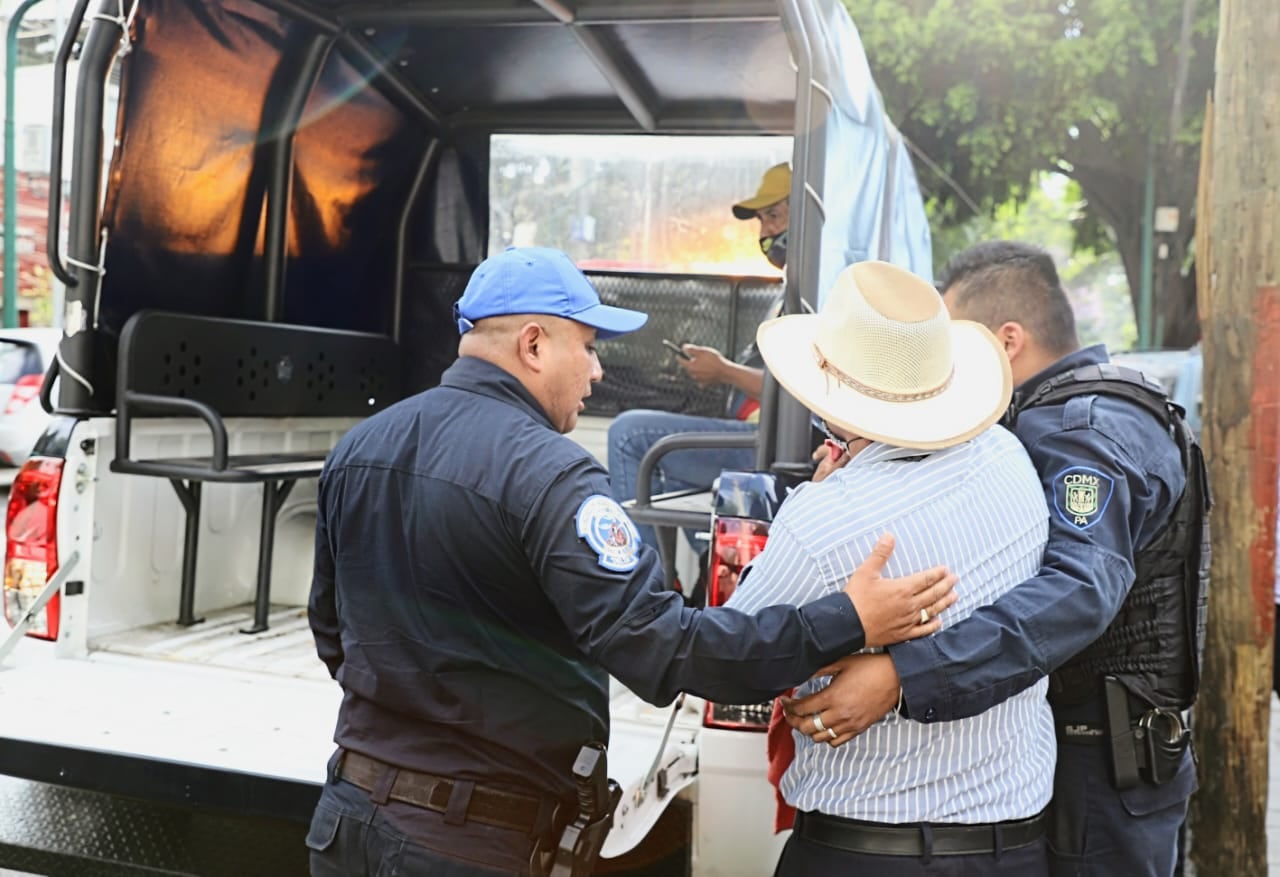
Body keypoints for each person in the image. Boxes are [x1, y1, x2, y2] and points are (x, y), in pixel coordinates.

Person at [305, 246, 960, 877]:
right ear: (533, 345)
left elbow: (333, 633)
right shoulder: (554, 477)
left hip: (345, 821)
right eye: (588, 347)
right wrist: (849, 618)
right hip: (476, 843)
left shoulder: (358, 447)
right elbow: (665, 654)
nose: (595, 372)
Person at [783, 241, 1209, 877]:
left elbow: (1077, 592)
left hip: (1100, 772)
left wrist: (906, 676)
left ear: (1007, 341)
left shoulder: (1081, 429)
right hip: (1092, 760)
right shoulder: (1060, 414)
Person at [726, 259, 1055, 875]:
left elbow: (735, 657)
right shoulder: (1009, 457)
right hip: (1012, 849)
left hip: (866, 847)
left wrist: (813, 503)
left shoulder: (824, 522)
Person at [607, 163, 791, 549]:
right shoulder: (787, 291)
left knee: (629, 434)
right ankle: (702, 581)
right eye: (761, 220)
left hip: (771, 447)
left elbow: (793, 392)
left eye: (773, 216)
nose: (765, 232)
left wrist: (723, 371)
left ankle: (640, 587)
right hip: (753, 438)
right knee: (673, 472)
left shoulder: (815, 291)